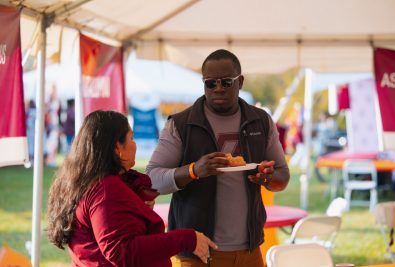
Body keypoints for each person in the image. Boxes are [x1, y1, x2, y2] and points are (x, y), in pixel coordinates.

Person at [146, 49, 290, 267]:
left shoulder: (260, 121)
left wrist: (269, 178)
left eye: (226, 82)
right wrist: (193, 171)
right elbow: (152, 179)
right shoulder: (181, 124)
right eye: (211, 83)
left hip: (249, 250)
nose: (218, 89)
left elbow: (283, 176)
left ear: (240, 82)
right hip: (199, 252)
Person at [47, 110, 217, 267]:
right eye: (131, 138)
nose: (134, 145)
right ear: (117, 148)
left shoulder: (86, 181)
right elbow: (121, 251)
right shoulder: (105, 188)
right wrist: (187, 238)